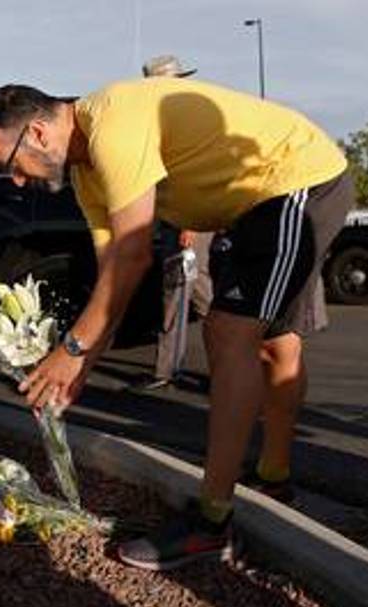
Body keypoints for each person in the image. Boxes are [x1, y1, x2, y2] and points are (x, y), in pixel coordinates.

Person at [0, 74, 351, 571]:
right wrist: (82, 364)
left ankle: (212, 524)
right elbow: (115, 274)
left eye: (9, 164)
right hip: (248, 206)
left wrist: (71, 350)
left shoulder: (112, 125)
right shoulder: (88, 176)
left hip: (295, 179)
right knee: (273, 343)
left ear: (39, 134)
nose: (15, 181)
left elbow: (134, 256)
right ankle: (274, 478)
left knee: (228, 331)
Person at [133, 55, 213, 391]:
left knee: (185, 291)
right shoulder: (171, 119)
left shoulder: (184, 123)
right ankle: (227, 364)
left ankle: (168, 370)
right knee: (194, 292)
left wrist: (189, 224)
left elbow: (193, 176)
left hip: (187, 219)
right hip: (178, 218)